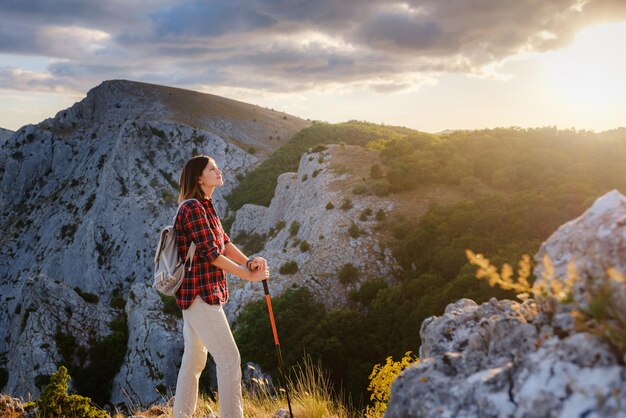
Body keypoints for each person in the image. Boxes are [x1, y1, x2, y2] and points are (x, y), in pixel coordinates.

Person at [172, 155, 269, 418]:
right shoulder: (192, 208)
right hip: (200, 296)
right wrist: (248, 277)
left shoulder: (206, 206)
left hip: (201, 296)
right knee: (229, 360)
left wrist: (248, 262)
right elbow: (212, 254)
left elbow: (224, 243)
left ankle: (181, 415)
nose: (219, 170)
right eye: (212, 168)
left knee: (194, 360)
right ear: (199, 178)